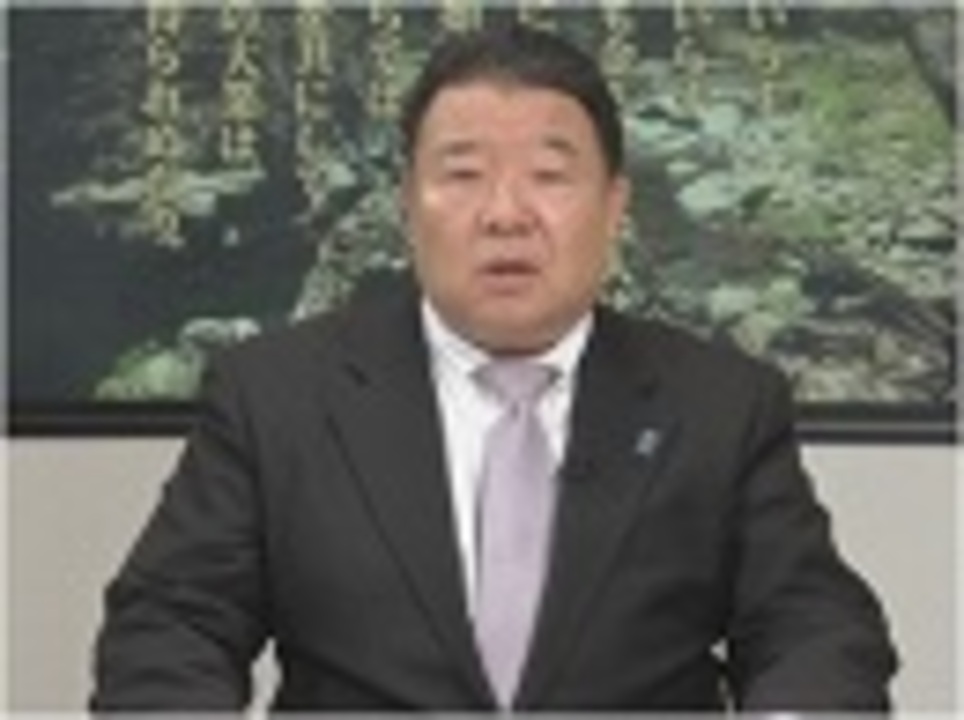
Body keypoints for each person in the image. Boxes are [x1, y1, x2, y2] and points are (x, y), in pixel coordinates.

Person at [92, 23, 897, 711]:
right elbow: (171, 621)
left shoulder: (720, 405)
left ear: (615, 207)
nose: (506, 214)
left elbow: (813, 624)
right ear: (407, 204)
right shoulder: (277, 395)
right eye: (464, 175)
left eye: (549, 177)